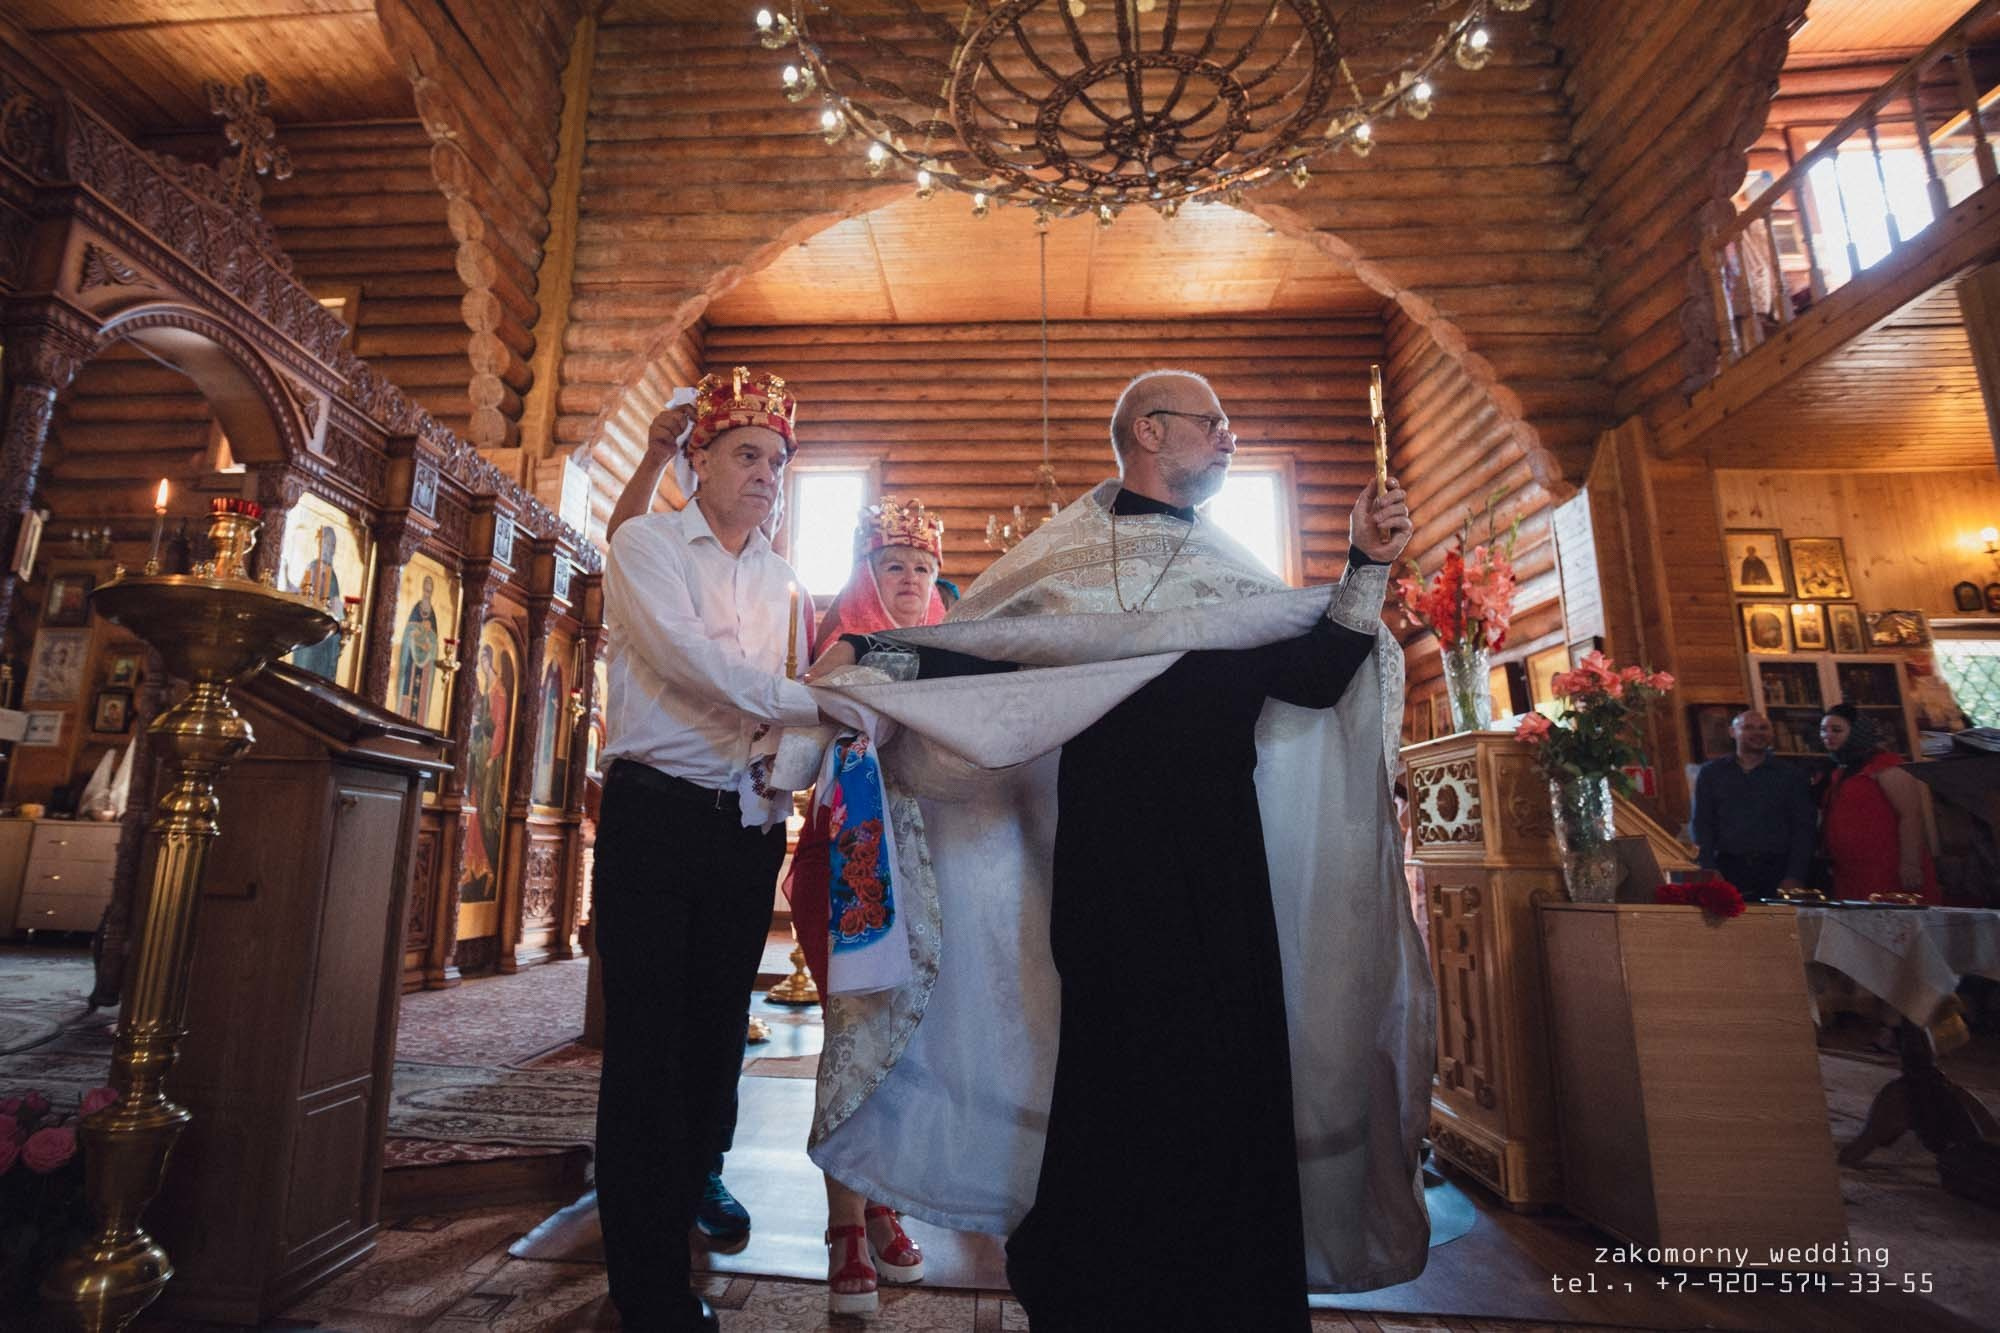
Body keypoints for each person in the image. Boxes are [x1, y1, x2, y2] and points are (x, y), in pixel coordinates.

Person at [794, 369, 1434, 1331]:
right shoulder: (1062, 566)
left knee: (1228, 1072)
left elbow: (1312, 673)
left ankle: (1227, 1294)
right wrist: (880, 655)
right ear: (1149, 429)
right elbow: (984, 652)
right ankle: (1104, 1290)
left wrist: (1366, 564)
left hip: (1223, 870)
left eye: (1229, 424)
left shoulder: (1231, 570)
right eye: (1210, 423)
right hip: (1102, 866)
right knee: (1111, 1073)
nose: (1227, 437)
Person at [593, 366, 817, 1333]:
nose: (768, 474)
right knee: (646, 1047)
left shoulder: (782, 579)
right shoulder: (647, 545)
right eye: (749, 455)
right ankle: (643, 1288)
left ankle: (691, 1187)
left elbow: (785, 692)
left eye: (778, 459)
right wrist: (814, 705)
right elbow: (690, 663)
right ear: (700, 458)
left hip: (745, 827)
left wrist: (796, 754)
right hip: (656, 817)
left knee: (717, 1032)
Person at [791, 497, 948, 1316]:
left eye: (924, 569)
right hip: (850, 860)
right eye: (896, 566)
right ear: (868, 574)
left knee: (909, 1038)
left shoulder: (951, 648)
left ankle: (884, 1196)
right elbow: (807, 725)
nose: (913, 581)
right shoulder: (842, 646)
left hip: (926, 859)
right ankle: (845, 1223)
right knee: (855, 1029)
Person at [1689, 710, 1816, 899]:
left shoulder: (1791, 775)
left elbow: (1803, 829)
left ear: (1771, 733)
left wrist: (1795, 875)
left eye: (1763, 728)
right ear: (1733, 732)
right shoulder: (1711, 774)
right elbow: (1702, 823)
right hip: (1727, 868)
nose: (1757, 733)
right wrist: (1708, 868)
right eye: (1748, 727)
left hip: (1776, 869)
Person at [1818, 704, 1939, 902]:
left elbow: (1910, 815)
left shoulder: (1885, 765)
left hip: (1889, 867)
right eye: (1823, 730)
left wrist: (1910, 863)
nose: (1827, 735)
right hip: (1851, 873)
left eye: (1836, 730)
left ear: (1857, 732)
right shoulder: (1840, 772)